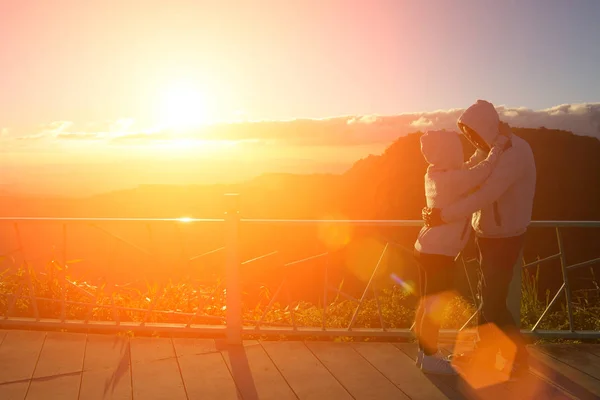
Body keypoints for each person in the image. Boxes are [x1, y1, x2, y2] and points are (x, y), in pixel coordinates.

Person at [423, 100, 537, 378]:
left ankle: (519, 357)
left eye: (473, 132)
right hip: (487, 233)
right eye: (467, 134)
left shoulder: (515, 151)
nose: (471, 139)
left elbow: (485, 194)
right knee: (488, 295)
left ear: (485, 127)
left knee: (493, 301)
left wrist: (443, 215)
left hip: (505, 236)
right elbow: (466, 175)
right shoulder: (491, 148)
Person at [414, 128, 510, 375]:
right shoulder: (451, 178)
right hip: (439, 252)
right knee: (434, 307)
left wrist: (481, 148)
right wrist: (496, 146)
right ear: (448, 152)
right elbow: (482, 172)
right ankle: (429, 357)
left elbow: (467, 168)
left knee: (429, 305)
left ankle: (424, 352)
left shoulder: (435, 173)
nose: (459, 152)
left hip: (428, 248)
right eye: (455, 148)